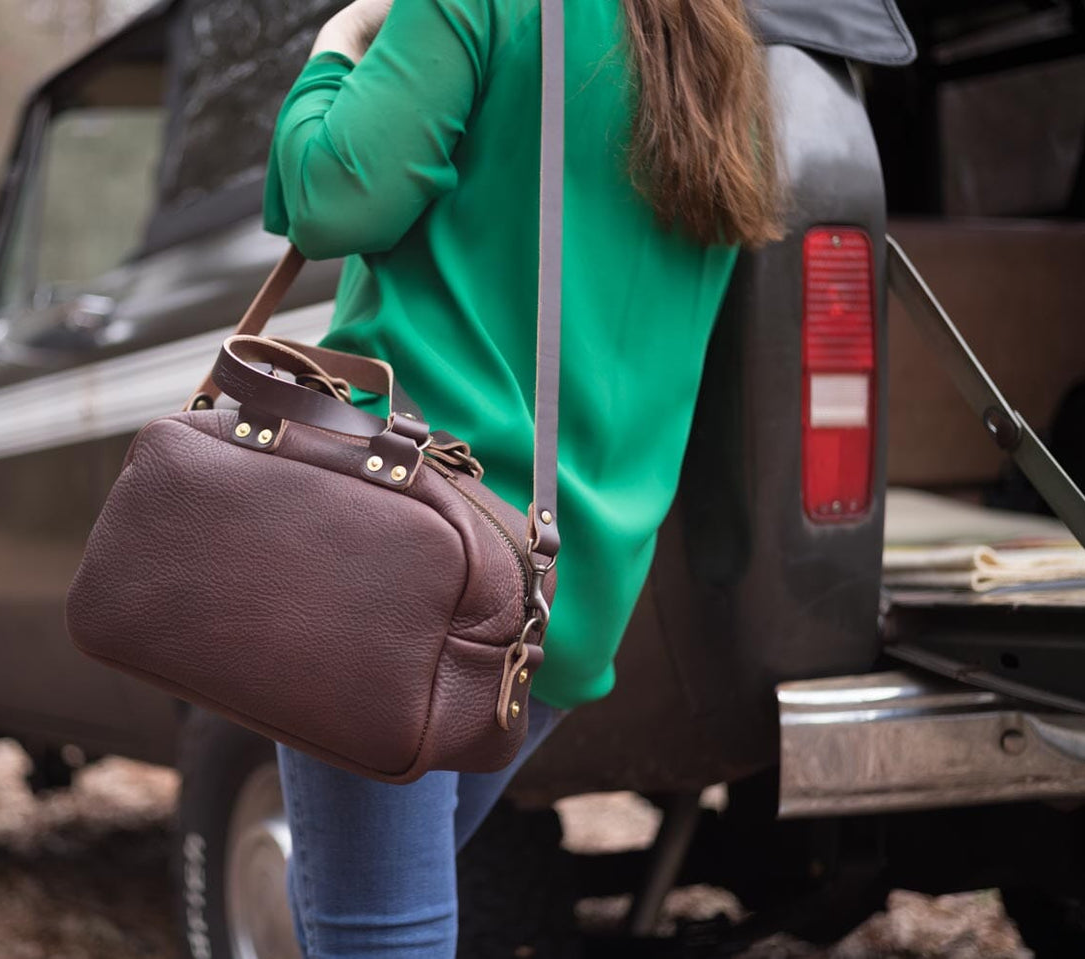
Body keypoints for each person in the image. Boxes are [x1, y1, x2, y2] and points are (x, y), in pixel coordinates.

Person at [261, 0, 783, 952]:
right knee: (361, 898)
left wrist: (337, 45)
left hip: (408, 544)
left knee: (374, 923)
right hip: (561, 579)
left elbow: (332, 196)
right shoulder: (717, 49)